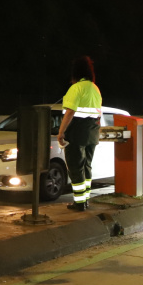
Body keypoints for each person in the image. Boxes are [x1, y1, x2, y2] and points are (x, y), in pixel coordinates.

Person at [57, 56, 102, 212]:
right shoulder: (95, 88)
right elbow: (98, 113)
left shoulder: (76, 88)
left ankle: (79, 203)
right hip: (92, 132)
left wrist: (61, 132)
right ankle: (85, 200)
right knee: (87, 166)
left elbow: (70, 112)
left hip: (77, 132)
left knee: (75, 167)